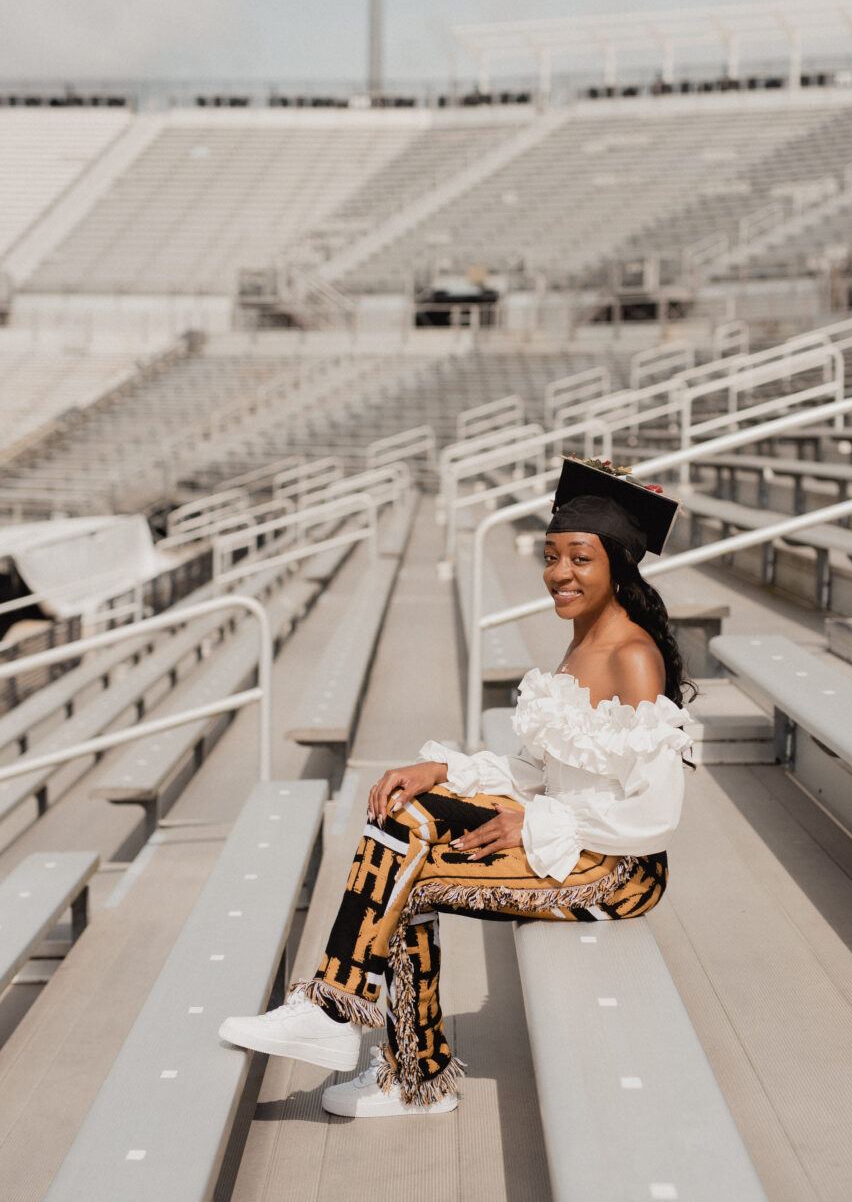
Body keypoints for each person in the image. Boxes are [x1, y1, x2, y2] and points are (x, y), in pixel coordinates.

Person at [219, 456, 695, 1118]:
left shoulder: (630, 655)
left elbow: (654, 814)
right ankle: (356, 1032)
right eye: (552, 556)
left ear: (617, 564)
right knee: (402, 812)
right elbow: (542, 770)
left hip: (616, 870)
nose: (559, 574)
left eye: (579, 559)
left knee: (406, 873)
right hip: (569, 837)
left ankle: (389, 1057)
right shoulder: (582, 641)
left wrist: (535, 823)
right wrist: (442, 771)